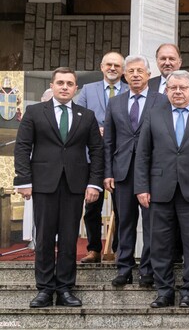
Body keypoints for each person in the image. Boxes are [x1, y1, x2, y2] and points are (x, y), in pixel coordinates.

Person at [14, 68, 103, 309]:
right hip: (43, 184)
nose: (65, 87)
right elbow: (22, 147)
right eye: (60, 82)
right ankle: (44, 289)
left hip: (75, 185)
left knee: (69, 237)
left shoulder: (87, 115)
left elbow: (97, 151)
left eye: (70, 83)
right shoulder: (34, 112)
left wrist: (94, 183)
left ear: (76, 89)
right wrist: (24, 180)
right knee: (44, 237)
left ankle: (64, 288)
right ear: (52, 86)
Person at [135, 70, 189, 308]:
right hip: (159, 189)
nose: (178, 92)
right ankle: (164, 291)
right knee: (160, 243)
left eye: (183, 88)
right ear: (166, 91)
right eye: (173, 88)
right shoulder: (154, 114)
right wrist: (141, 187)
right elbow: (143, 154)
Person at [104, 55, 167, 288]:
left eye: (140, 71)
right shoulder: (115, 103)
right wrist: (107, 172)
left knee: (151, 223)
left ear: (149, 74)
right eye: (131, 71)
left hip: (153, 172)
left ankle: (148, 269)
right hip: (122, 171)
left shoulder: (161, 100)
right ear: (124, 75)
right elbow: (108, 141)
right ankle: (124, 268)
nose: (136, 75)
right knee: (125, 221)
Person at [74, 51, 126, 264]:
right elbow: (78, 116)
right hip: (92, 155)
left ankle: (119, 249)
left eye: (117, 65)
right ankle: (94, 249)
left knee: (121, 206)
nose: (112, 68)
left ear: (123, 70)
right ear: (102, 67)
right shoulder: (88, 89)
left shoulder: (129, 90)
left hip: (120, 156)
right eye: (109, 65)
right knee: (92, 205)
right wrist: (95, 130)